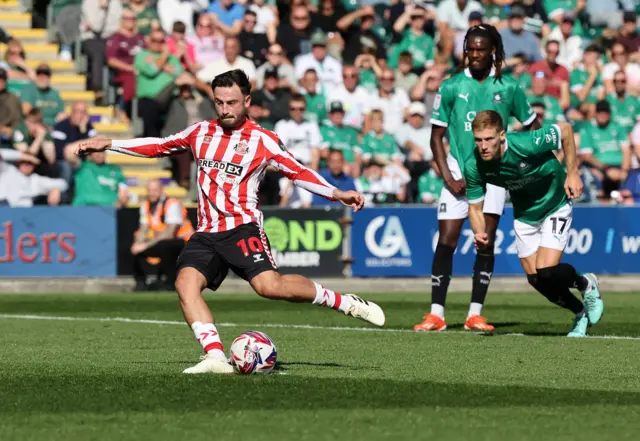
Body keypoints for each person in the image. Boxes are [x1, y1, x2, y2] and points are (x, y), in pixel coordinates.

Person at [76, 69, 385, 375]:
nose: (224, 109)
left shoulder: (263, 140)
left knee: (270, 287)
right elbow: (158, 146)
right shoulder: (200, 133)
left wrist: (336, 193)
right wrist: (110, 144)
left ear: (247, 101)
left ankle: (343, 302)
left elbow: (297, 171)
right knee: (185, 284)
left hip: (242, 227)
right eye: (219, 102)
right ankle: (215, 356)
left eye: (232, 102)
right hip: (207, 231)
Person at [413, 24, 539, 333]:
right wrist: (446, 176)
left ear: (493, 51)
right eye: (471, 49)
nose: (475, 54)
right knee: (446, 242)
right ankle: (436, 314)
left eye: (481, 49)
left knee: (486, 243)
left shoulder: (509, 87)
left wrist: (520, 160)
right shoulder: (452, 85)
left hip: (494, 176)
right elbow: (436, 137)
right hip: (457, 172)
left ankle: (474, 314)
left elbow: (533, 125)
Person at [464, 110, 603, 337]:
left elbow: (566, 131)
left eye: (488, 139)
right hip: (525, 215)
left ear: (502, 135)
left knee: (546, 269)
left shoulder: (526, 143)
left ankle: (586, 284)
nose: (483, 146)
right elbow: (475, 208)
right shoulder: (474, 165)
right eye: (478, 140)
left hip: (555, 204)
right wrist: (479, 232)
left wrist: (573, 173)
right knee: (536, 280)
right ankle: (580, 313)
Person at [132, 179, 195, 292]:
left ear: (161, 190)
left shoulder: (171, 204)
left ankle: (169, 282)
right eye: (149, 190)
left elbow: (169, 233)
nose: (151, 193)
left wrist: (145, 245)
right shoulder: (146, 205)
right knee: (136, 248)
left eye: (155, 190)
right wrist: (138, 243)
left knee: (166, 245)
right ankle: (141, 283)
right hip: (162, 241)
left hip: (185, 241)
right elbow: (143, 228)